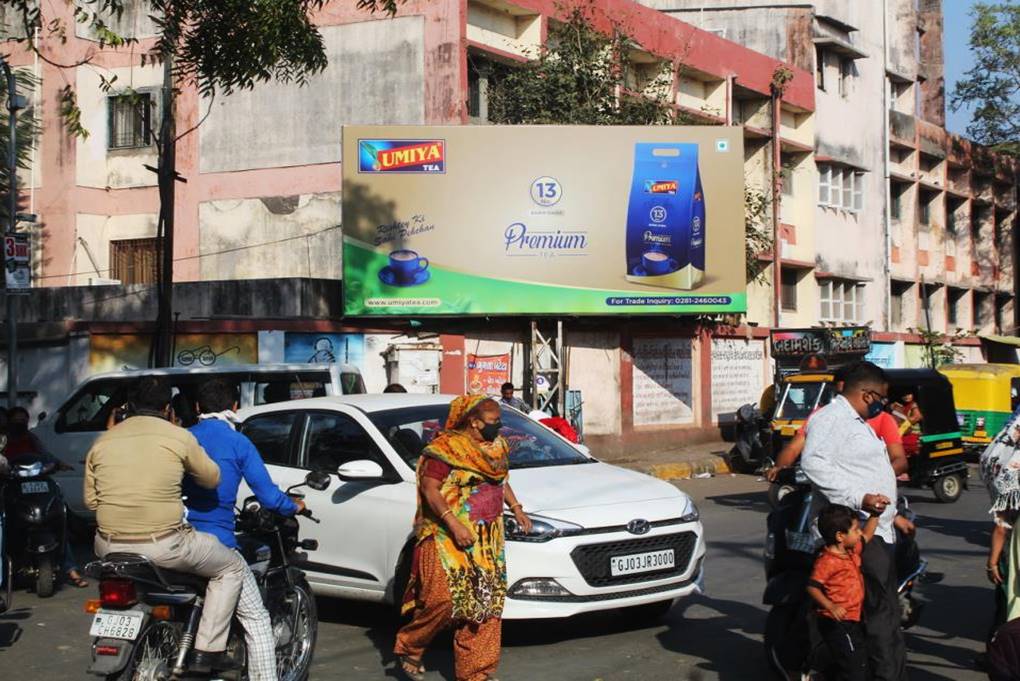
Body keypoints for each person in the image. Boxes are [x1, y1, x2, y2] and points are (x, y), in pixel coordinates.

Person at [85, 377, 247, 674]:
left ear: (129, 406)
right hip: (164, 545)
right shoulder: (178, 436)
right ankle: (207, 651)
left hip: (106, 546)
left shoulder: (103, 440)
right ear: (168, 407)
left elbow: (91, 502)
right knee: (230, 569)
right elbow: (212, 478)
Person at [393, 395, 532, 681]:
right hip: (447, 536)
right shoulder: (444, 450)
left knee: (486, 605)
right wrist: (454, 524)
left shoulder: (497, 447)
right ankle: (412, 644)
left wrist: (516, 508)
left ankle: (476, 673)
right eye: (494, 422)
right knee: (443, 599)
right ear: (474, 422)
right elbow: (431, 489)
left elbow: (500, 479)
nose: (500, 427)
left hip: (487, 539)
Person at [183, 379, 304, 681]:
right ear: (234, 407)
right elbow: (268, 496)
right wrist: (293, 506)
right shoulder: (239, 442)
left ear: (198, 408)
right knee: (257, 618)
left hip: (176, 537)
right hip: (217, 543)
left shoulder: (183, 438)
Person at [801, 361, 904, 681]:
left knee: (881, 614)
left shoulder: (856, 422)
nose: (883, 406)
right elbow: (813, 463)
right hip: (856, 533)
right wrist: (859, 498)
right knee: (880, 616)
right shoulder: (832, 419)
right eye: (882, 399)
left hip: (876, 528)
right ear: (869, 394)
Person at [3, 406, 88, 588]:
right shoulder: (4, 441)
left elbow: (46, 456)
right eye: (16, 421)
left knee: (57, 520)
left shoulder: (32, 438)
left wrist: (57, 464)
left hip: (36, 488)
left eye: (23, 421)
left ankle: (70, 568)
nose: (20, 424)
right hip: (13, 489)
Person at [808, 504, 881, 681]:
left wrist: (875, 515)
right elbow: (812, 586)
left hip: (854, 618)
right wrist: (830, 606)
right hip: (837, 622)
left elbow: (867, 535)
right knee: (854, 665)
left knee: (854, 659)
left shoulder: (851, 551)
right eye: (855, 529)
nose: (859, 533)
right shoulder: (827, 561)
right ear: (840, 536)